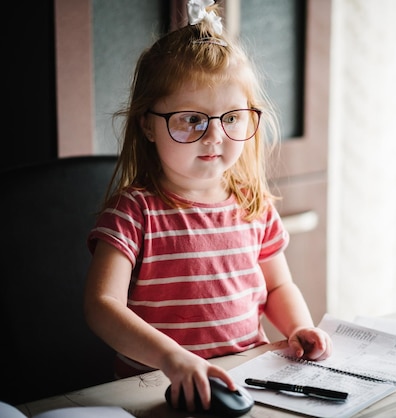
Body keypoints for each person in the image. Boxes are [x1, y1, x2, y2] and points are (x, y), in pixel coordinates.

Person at [84, 0, 332, 412]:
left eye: (231, 118)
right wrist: (171, 357)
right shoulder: (134, 212)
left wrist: (299, 327)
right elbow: (101, 306)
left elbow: (277, 287)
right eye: (191, 120)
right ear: (147, 124)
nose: (214, 136)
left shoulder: (253, 204)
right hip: (156, 385)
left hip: (242, 378)